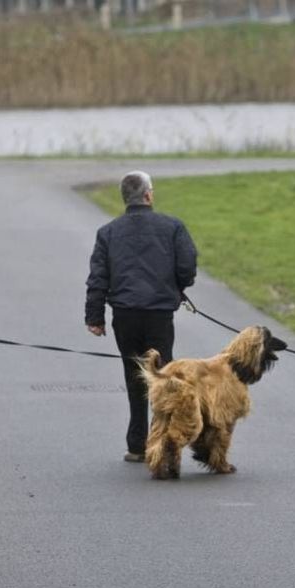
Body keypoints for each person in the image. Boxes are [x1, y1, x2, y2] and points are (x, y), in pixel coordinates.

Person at [85, 171, 198, 462]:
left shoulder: (108, 232)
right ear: (148, 195)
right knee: (162, 376)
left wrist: (94, 316)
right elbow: (187, 266)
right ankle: (161, 440)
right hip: (159, 313)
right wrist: (178, 287)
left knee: (134, 374)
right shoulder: (172, 227)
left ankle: (137, 444)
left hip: (125, 315)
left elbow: (98, 278)